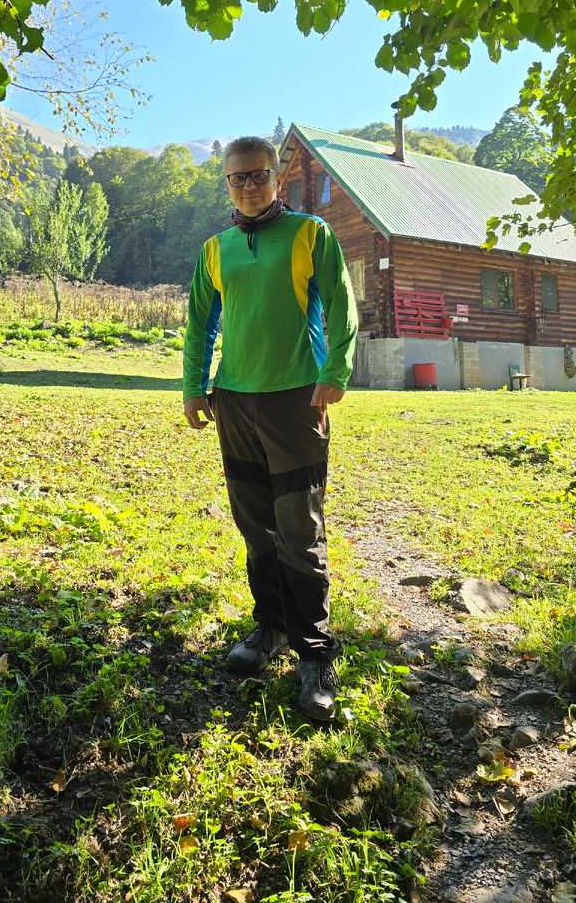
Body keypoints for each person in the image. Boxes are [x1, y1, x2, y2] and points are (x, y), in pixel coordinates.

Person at [182, 135, 358, 721]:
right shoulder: (216, 249)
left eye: (259, 175)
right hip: (234, 401)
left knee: (299, 531)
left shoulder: (313, 234)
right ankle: (271, 628)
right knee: (256, 526)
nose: (249, 185)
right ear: (227, 183)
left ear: (279, 179)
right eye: (238, 178)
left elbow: (340, 303)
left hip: (296, 400)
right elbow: (199, 325)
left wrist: (335, 371)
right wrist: (192, 387)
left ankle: (315, 653)